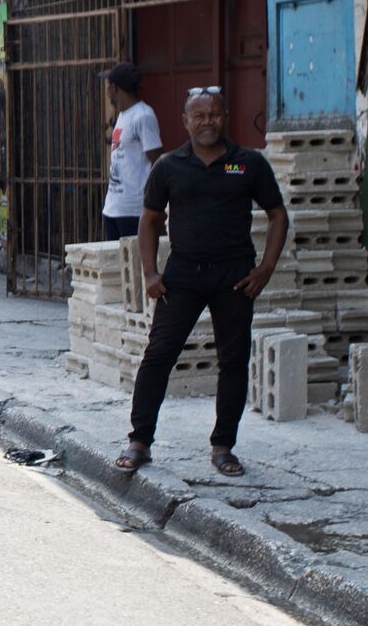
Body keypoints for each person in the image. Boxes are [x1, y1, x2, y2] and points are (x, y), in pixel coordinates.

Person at [118, 88, 287, 478]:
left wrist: (265, 269)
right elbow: (149, 220)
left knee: (232, 361)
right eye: (199, 115)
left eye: (213, 114)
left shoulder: (248, 164)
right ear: (185, 121)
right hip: (183, 274)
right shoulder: (169, 166)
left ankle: (223, 446)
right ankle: (139, 440)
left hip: (235, 276)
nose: (206, 121)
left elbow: (278, 215)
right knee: (159, 355)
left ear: (225, 117)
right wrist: (150, 273)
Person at [101, 63, 162, 241]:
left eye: (107, 85)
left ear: (114, 88)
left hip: (134, 209)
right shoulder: (122, 115)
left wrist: (155, 203)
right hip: (113, 206)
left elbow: (157, 161)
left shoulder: (143, 116)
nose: (106, 90)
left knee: (134, 264)